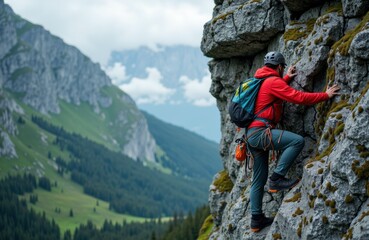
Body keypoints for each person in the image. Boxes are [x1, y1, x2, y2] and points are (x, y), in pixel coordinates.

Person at [247, 51, 340, 233]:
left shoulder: (261, 81)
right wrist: (325, 95)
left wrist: (288, 77)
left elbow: (272, 92)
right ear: (279, 67)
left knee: (258, 181)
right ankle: (277, 179)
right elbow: (297, 97)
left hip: (251, 135)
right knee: (296, 141)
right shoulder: (273, 81)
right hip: (261, 133)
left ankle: (256, 221)